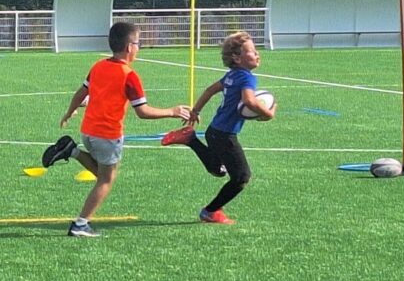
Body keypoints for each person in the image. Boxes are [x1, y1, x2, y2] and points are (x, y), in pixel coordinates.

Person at [41, 21, 192, 238]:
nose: (139, 48)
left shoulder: (98, 66)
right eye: (138, 44)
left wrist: (69, 112)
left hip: (88, 131)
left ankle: (71, 150)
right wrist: (173, 111)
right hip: (108, 135)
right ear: (130, 47)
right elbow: (143, 111)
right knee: (106, 180)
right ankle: (81, 224)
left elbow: (81, 92)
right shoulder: (129, 75)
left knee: (102, 173)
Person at [162, 31, 275, 225]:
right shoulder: (247, 78)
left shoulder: (232, 75)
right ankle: (210, 211)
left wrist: (196, 110)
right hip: (224, 135)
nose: (257, 54)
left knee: (219, 170)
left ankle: (190, 139)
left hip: (215, 131)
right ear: (237, 58)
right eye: (252, 51)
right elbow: (249, 100)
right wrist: (268, 113)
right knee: (241, 177)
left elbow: (210, 90)